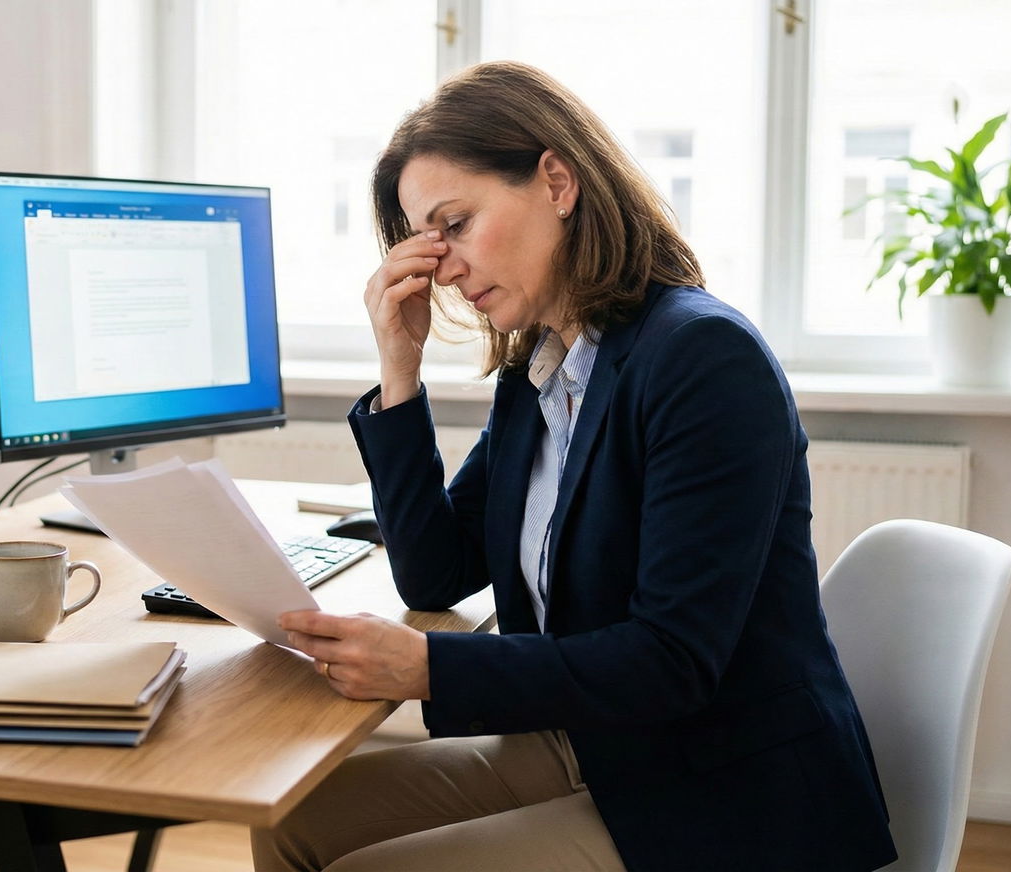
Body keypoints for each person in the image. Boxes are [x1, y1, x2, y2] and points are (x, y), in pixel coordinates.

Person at [255, 62, 898, 872]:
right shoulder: (545, 368)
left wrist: (428, 668)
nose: (443, 269)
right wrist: (399, 369)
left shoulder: (702, 357)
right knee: (289, 822)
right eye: (428, 243)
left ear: (557, 182)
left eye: (457, 224)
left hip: (726, 790)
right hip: (604, 746)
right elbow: (435, 573)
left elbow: (671, 663)